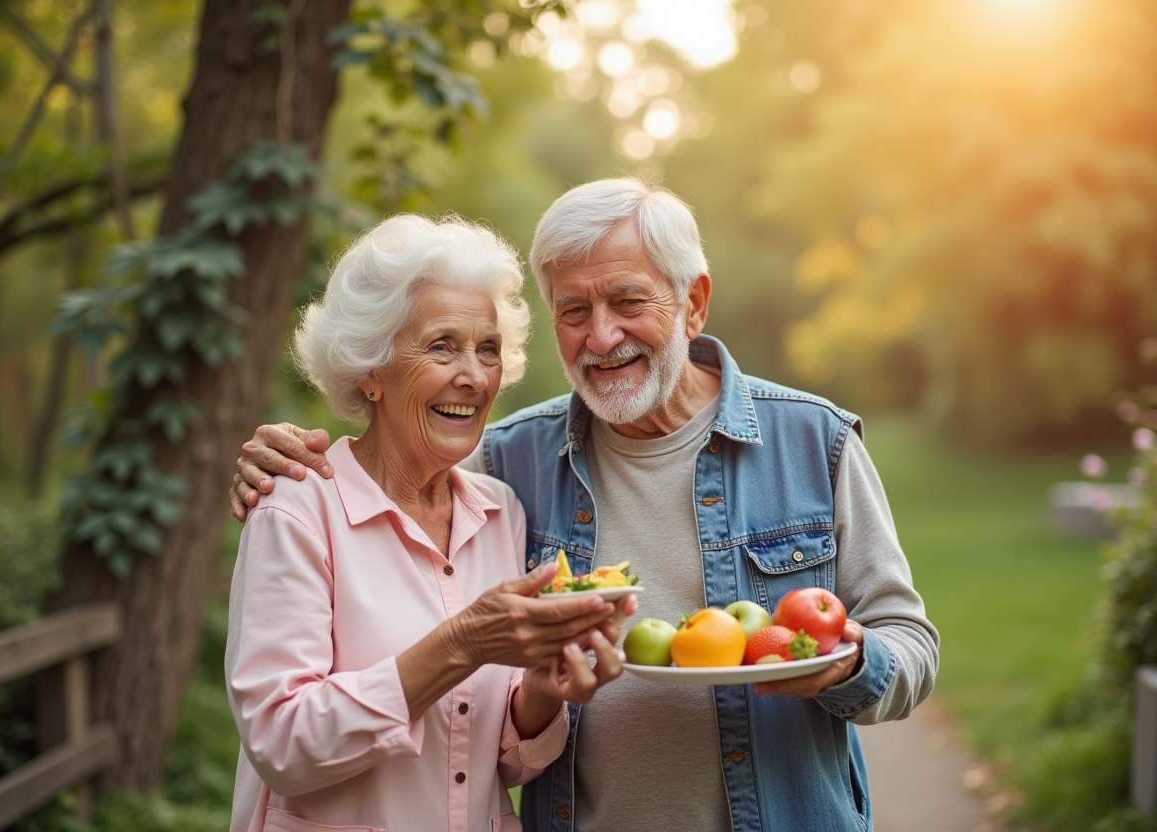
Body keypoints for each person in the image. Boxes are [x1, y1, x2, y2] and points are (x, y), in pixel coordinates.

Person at [230, 180, 940, 832]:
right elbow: (386, 467)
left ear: (693, 302)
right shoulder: (508, 463)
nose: (602, 337)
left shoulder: (813, 441)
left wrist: (846, 669)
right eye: (575, 310)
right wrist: (274, 461)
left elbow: (909, 641)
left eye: (628, 301)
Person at [225, 213, 633, 832]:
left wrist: (546, 690)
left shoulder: (501, 513)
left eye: (488, 349)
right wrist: (464, 643)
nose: (472, 376)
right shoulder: (297, 509)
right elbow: (283, 745)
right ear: (369, 367)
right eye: (442, 345)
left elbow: (504, 759)